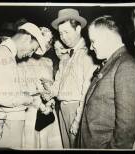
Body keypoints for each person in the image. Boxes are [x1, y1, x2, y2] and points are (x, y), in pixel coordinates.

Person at [0, 22, 52, 149]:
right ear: (27, 38)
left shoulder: (6, 54)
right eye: (33, 49)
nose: (31, 54)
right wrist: (28, 99)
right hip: (7, 123)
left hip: (7, 122)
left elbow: (9, 91)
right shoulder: (4, 56)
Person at [41, 8, 97, 148]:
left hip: (77, 108)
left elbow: (87, 90)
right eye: (60, 33)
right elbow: (58, 85)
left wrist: (78, 120)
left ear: (78, 29)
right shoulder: (65, 57)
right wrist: (49, 92)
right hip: (63, 109)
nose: (63, 37)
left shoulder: (88, 55)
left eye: (66, 32)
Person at [79, 15, 135, 149]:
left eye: (93, 41)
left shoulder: (126, 65)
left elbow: (126, 127)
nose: (91, 48)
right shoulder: (112, 62)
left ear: (108, 38)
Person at [18, 27, 63, 149]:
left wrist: (50, 103)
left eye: (48, 43)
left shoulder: (48, 61)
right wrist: (41, 107)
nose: (45, 46)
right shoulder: (22, 61)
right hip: (31, 109)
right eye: (43, 41)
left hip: (48, 110)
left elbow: (52, 86)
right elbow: (22, 89)